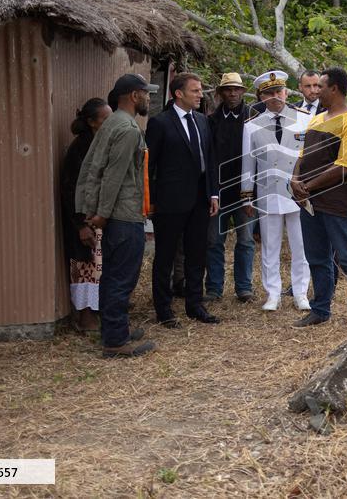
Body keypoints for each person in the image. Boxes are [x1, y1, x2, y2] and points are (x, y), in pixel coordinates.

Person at [291, 66, 347, 328]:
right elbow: (302, 156)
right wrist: (295, 180)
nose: (315, 90)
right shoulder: (318, 119)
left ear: (335, 89)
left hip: (339, 204)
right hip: (311, 203)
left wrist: (307, 186)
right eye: (313, 86)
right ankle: (320, 310)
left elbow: (346, 167)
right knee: (317, 258)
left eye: (320, 86)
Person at [76, 73, 158, 357]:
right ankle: (116, 342)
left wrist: (93, 209)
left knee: (112, 277)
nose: (149, 98)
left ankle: (114, 330)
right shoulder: (128, 129)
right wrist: (102, 213)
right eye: (146, 93)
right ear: (134, 96)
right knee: (122, 279)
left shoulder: (112, 123)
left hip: (117, 214)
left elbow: (90, 168)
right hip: (124, 215)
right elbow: (112, 176)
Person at [146, 73, 221, 327]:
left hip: (200, 200)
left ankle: (195, 304)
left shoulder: (202, 121)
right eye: (195, 91)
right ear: (178, 93)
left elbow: (209, 159)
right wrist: (152, 201)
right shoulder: (160, 123)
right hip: (170, 202)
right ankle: (164, 310)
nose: (201, 95)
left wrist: (213, 193)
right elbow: (149, 167)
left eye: (200, 90)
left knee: (197, 254)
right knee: (165, 256)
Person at [241, 71, 313, 311]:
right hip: (268, 193)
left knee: (301, 246)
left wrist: (312, 188)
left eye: (279, 91)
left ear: (286, 92)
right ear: (261, 97)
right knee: (270, 246)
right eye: (269, 93)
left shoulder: (304, 119)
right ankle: (273, 294)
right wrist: (246, 196)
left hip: (299, 194)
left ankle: (300, 293)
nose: (275, 97)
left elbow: (312, 158)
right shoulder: (251, 126)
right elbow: (247, 163)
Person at [60, 98, 112, 332]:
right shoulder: (80, 149)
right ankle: (85, 315)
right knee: (84, 267)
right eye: (105, 119)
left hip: (99, 216)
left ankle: (98, 311)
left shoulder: (100, 143)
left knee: (99, 266)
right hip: (83, 219)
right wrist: (81, 224)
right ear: (92, 122)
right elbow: (70, 190)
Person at [206, 72, 256, 303]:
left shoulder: (253, 118)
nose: (233, 93)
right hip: (219, 192)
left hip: (245, 192)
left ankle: (244, 288)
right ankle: (214, 288)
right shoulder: (211, 120)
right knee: (215, 241)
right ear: (220, 92)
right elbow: (209, 158)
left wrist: (252, 194)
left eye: (237, 89)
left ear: (243, 91)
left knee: (245, 240)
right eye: (228, 89)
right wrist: (212, 192)